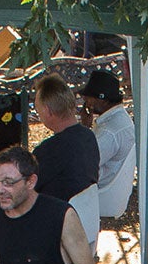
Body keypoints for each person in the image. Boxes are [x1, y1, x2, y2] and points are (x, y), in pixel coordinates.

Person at [31, 76, 101, 244]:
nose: (37, 112)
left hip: (56, 230)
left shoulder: (47, 151)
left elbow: (25, 189)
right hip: (86, 222)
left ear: (48, 111)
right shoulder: (89, 137)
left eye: (37, 108)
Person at [80, 68, 136, 223]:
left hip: (101, 189)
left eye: (89, 98)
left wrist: (83, 129)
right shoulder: (119, 118)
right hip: (109, 183)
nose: (86, 101)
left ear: (103, 100)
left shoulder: (109, 132)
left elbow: (84, 163)